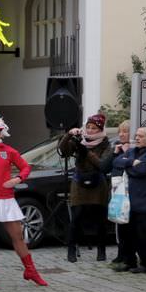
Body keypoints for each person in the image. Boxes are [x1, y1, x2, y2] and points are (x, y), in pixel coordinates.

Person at [0, 116, 47, 288]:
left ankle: (31, 270)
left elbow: (25, 167)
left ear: (1, 133)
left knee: (17, 236)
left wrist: (17, 179)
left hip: (6, 199)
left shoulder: (9, 151)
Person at [59, 113, 113, 263]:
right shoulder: (79, 140)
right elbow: (63, 151)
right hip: (79, 183)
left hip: (98, 183)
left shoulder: (106, 144)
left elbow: (102, 164)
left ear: (100, 129)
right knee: (76, 217)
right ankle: (71, 251)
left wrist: (86, 152)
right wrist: (68, 135)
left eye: (94, 128)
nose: (89, 130)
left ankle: (101, 250)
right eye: (88, 127)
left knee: (100, 219)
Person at [111, 126, 146, 274]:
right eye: (136, 135)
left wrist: (127, 165)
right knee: (126, 234)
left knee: (143, 236)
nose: (137, 138)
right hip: (127, 202)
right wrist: (132, 163)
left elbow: (141, 170)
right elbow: (116, 162)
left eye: (141, 136)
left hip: (145, 201)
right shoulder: (132, 151)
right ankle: (129, 261)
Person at [110, 119, 134, 270]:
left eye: (125, 132)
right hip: (116, 190)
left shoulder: (133, 149)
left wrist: (126, 154)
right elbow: (107, 166)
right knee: (118, 222)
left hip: (128, 190)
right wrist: (115, 153)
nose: (121, 134)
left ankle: (128, 254)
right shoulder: (118, 148)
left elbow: (128, 165)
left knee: (127, 222)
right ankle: (121, 252)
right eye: (120, 131)